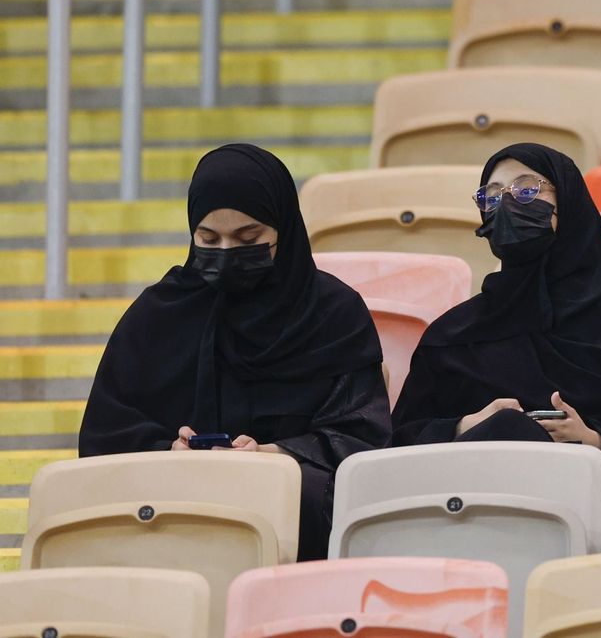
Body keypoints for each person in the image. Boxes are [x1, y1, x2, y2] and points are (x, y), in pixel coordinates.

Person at [79, 144, 390, 561]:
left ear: (285, 229)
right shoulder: (158, 315)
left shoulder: (332, 314)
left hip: (298, 516)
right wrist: (169, 451)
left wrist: (273, 455)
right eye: (208, 239)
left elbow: (361, 436)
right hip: (176, 513)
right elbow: (104, 436)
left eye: (248, 239)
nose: (225, 253)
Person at [389, 143, 601, 550]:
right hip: (462, 519)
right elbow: (397, 447)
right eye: (491, 196)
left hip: (592, 523)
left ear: (570, 205)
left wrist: (594, 441)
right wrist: (465, 428)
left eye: (527, 190)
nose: (507, 204)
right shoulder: (452, 335)